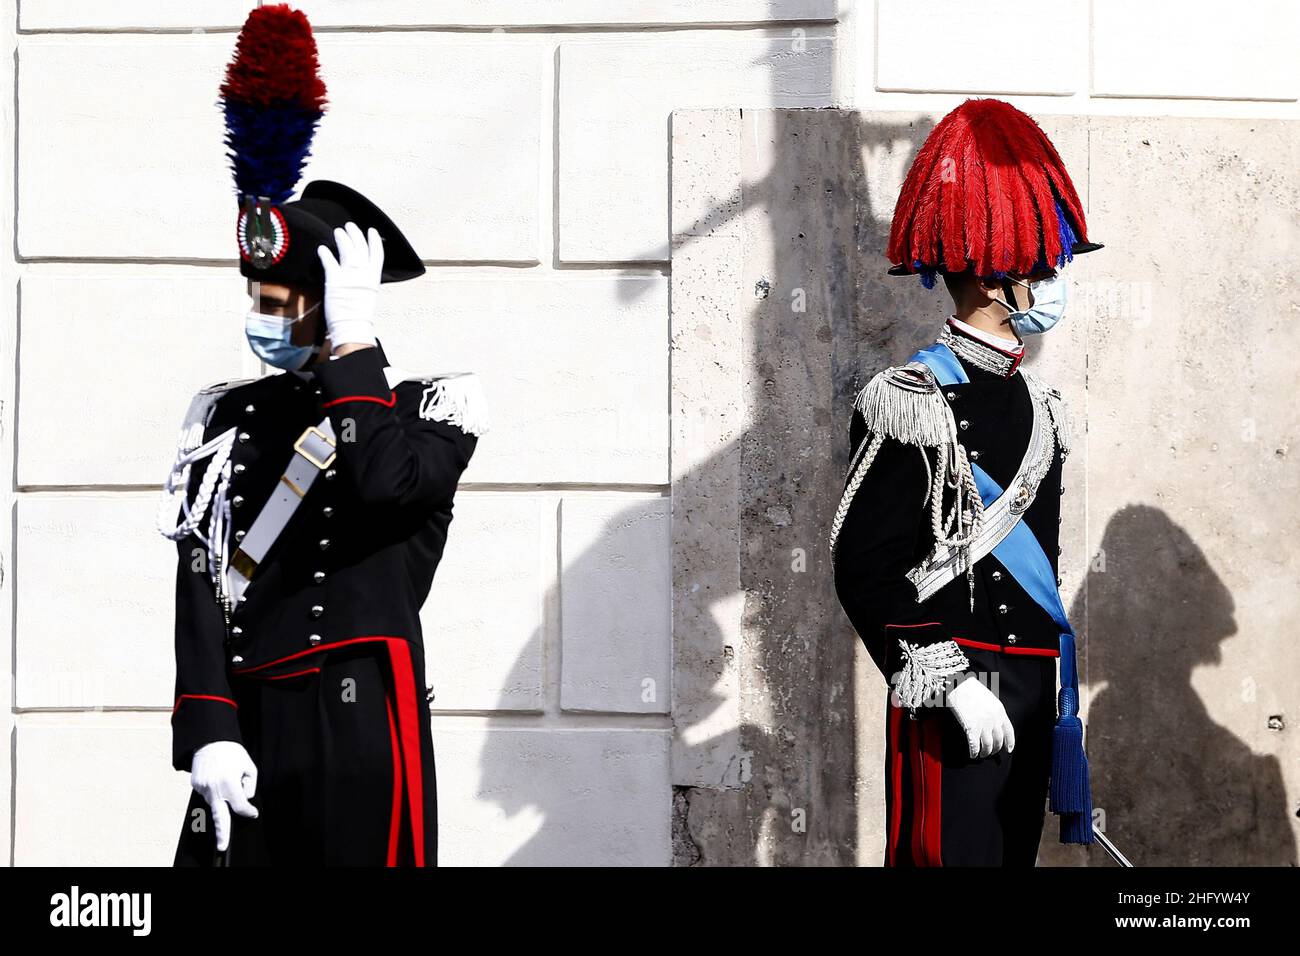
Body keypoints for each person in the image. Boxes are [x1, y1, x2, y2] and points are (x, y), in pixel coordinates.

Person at [156, 4, 488, 866]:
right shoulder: (226, 417)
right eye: (252, 298)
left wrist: (353, 349)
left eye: (278, 301)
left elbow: (383, 484)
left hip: (361, 719)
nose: (258, 319)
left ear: (328, 304)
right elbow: (201, 575)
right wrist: (206, 724)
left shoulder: (434, 409)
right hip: (252, 719)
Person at [829, 97, 1102, 866]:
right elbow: (865, 567)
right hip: (954, 678)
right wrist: (943, 681)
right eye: (1044, 265)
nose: (1057, 282)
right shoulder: (909, 399)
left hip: (1033, 682)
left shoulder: (1038, 404)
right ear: (994, 279)